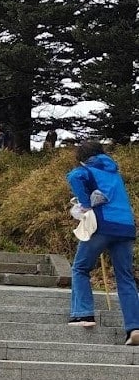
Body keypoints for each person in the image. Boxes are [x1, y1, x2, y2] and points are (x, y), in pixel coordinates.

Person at [66, 138, 139, 343]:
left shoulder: (86, 170)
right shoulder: (114, 172)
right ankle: (134, 327)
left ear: (83, 157)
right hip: (126, 226)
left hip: (102, 225)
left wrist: (85, 204)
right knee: (125, 277)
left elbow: (73, 176)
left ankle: (83, 314)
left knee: (81, 268)